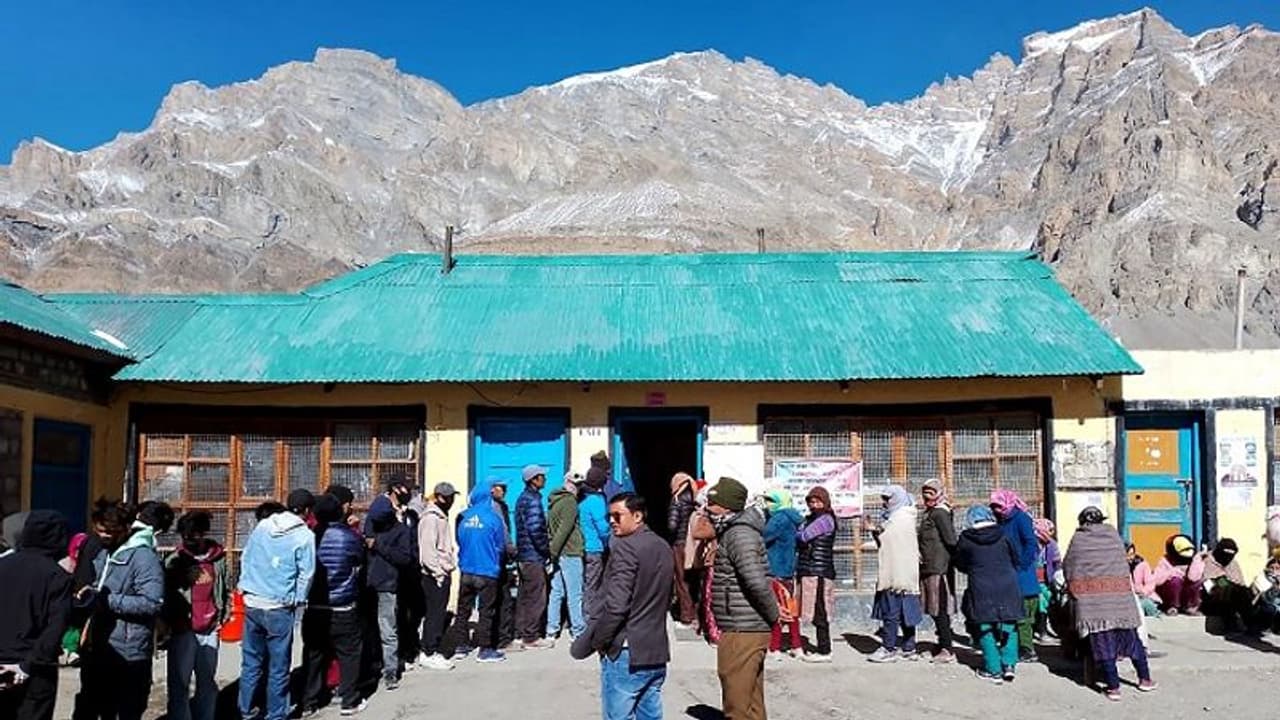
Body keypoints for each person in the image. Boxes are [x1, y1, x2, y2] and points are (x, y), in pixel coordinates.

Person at [570, 493, 674, 720]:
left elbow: (616, 606)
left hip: (628, 651)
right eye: (609, 516)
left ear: (637, 516)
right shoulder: (663, 546)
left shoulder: (626, 548)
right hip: (655, 651)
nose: (611, 521)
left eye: (618, 515)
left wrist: (600, 641)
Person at [75, 500, 165, 720]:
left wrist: (106, 600)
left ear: (125, 529)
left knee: (126, 711)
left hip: (129, 652)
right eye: (99, 531)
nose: (102, 536)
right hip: (100, 647)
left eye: (108, 532)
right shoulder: (106, 553)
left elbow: (152, 602)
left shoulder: (144, 558)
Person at [1062, 506, 1157, 701]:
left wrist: (1075, 588)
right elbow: (1122, 563)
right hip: (1120, 600)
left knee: (1103, 644)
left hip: (1094, 604)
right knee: (1132, 641)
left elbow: (1069, 566)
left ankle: (1114, 687)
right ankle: (1145, 679)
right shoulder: (1113, 536)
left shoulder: (1079, 539)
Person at [238, 489, 317, 720]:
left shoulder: (264, 526)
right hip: (280, 605)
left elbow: (247, 556)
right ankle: (276, 714)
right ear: (306, 511)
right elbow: (306, 573)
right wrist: (299, 598)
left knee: (251, 663)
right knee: (278, 667)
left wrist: (246, 584)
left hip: (253, 601)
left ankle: (246, 710)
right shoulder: (304, 536)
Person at [707, 477, 779, 720]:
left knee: (737, 705)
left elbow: (756, 582)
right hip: (743, 625)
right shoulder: (734, 530)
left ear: (727, 506)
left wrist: (773, 614)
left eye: (712, 502)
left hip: (744, 627)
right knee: (751, 703)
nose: (707, 506)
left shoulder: (739, 534)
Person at [0, 511, 72, 720]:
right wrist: (27, 665)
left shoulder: (3, 566)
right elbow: (56, 626)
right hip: (36, 671)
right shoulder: (56, 575)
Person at [302, 494, 366, 716]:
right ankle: (348, 700)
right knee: (349, 653)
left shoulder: (308, 536)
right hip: (342, 605)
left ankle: (309, 701)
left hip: (315, 605)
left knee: (314, 654)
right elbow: (358, 560)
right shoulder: (348, 537)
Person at [164, 511, 230, 720]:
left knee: (207, 682)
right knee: (180, 683)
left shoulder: (218, 559)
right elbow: (166, 593)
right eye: (185, 536)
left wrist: (223, 615)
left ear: (203, 534)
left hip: (210, 628)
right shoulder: (175, 560)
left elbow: (225, 589)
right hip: (184, 629)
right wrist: (182, 578)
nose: (189, 540)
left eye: (194, 535)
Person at [952, 505, 1024, 684]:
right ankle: (1009, 665)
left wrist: (974, 568)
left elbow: (959, 562)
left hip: (981, 586)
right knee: (1009, 623)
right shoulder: (1004, 534)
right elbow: (1017, 558)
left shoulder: (966, 539)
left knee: (984, 626)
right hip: (1008, 584)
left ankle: (993, 669)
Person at [446, 481, 509, 663]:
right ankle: (485, 648)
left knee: (463, 610)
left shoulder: (462, 517)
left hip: (467, 569)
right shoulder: (493, 518)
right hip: (487, 570)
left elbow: (459, 541)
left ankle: (460, 645)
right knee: (486, 611)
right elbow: (500, 545)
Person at [365, 480, 417, 690]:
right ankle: (381, 669)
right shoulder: (374, 524)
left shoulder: (396, 530)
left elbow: (404, 558)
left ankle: (390, 671)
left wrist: (378, 545)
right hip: (372, 583)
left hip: (386, 583)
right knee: (382, 630)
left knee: (387, 629)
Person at [868, 486, 921, 663]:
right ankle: (909, 647)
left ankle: (888, 647)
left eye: (888, 499)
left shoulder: (900, 519)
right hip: (905, 571)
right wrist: (876, 530)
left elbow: (888, 540)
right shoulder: (901, 517)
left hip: (896, 572)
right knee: (906, 610)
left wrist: (876, 530)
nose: (885, 503)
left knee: (891, 611)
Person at [990, 489, 1040, 662]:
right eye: (994, 506)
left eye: (999, 505)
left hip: (1022, 575)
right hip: (1007, 574)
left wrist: (1021, 564)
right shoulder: (1001, 522)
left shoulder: (1020, 518)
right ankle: (1014, 646)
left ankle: (1027, 649)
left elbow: (1030, 543)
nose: (996, 510)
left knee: (1024, 616)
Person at [417, 482, 459, 670]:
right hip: (434, 575)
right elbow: (427, 549)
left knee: (439, 612)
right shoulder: (431, 518)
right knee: (434, 614)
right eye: (449, 497)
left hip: (440, 572)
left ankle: (432, 648)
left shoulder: (441, 516)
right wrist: (438, 572)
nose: (451, 501)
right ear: (441, 497)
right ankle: (428, 652)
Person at [793, 487, 836, 662]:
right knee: (816, 609)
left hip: (819, 570)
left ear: (825, 502)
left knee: (820, 610)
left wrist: (800, 533)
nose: (814, 505)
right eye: (811, 502)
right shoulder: (812, 518)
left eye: (818, 501)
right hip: (811, 568)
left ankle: (825, 650)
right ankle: (822, 647)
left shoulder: (825, 520)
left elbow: (803, 536)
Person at [917, 478, 957, 663]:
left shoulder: (940, 513)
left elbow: (950, 540)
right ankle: (941, 643)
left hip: (939, 567)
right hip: (929, 566)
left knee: (940, 608)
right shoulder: (930, 512)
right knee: (933, 607)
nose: (927, 496)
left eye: (931, 492)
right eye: (925, 492)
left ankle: (947, 648)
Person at [514, 465, 553, 649]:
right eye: (541, 476)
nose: (544, 479)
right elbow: (536, 529)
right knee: (537, 597)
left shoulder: (522, 498)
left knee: (525, 596)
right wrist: (546, 550)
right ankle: (531, 636)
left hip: (523, 555)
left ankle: (521, 631)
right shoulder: (532, 501)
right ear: (533, 480)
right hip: (533, 556)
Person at [762, 489, 802, 659]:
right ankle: (796, 645)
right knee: (791, 609)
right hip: (788, 569)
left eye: (771, 500)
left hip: (775, 568)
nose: (767, 504)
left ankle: (775, 647)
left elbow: (763, 537)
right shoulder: (793, 517)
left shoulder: (778, 519)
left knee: (777, 610)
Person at [547, 472, 586, 642]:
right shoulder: (570, 503)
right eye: (577, 485)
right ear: (569, 484)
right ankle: (578, 630)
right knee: (574, 594)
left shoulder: (554, 502)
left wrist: (553, 554)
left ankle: (551, 629)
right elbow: (565, 530)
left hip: (559, 554)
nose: (579, 489)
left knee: (557, 593)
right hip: (570, 553)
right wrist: (553, 552)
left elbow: (551, 529)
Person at [488, 478, 519, 649]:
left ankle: (497, 637)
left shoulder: (501, 506)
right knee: (503, 598)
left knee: (499, 598)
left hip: (495, 557)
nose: (504, 491)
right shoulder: (494, 507)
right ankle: (504, 639)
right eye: (501, 488)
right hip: (497, 557)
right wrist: (511, 550)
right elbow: (503, 532)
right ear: (492, 489)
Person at [580, 466, 612, 624]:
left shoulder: (583, 499)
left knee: (587, 582)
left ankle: (587, 613)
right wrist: (609, 542)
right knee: (593, 583)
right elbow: (603, 528)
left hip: (584, 546)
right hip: (595, 548)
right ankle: (590, 617)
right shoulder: (597, 501)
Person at [1200, 538, 1251, 632]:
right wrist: (1224, 581)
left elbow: (1240, 581)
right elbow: (1207, 581)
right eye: (1225, 553)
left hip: (1234, 594)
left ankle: (1249, 623)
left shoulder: (1233, 563)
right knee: (1226, 587)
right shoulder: (1208, 560)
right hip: (1212, 597)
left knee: (1244, 592)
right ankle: (1230, 622)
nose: (1228, 557)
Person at [668, 472, 698, 627]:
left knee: (681, 579)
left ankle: (686, 615)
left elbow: (672, 525)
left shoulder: (677, 500)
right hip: (696, 544)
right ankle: (697, 613)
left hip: (680, 543)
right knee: (694, 578)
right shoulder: (696, 497)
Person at [1151, 533, 1204, 615]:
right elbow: (1156, 580)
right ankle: (1173, 607)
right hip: (1170, 595)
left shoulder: (1196, 561)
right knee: (1175, 581)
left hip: (1187, 596)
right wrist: (1172, 572)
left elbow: (1193, 578)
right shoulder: (1165, 561)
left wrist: (1196, 560)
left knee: (1196, 583)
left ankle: (1190, 607)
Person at [1032, 518, 1062, 640]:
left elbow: (1057, 562)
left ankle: (1052, 628)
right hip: (1034, 580)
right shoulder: (1031, 544)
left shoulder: (1051, 545)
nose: (1051, 533)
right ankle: (1041, 631)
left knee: (1049, 602)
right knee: (1041, 604)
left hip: (1047, 580)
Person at [1128, 544, 1162, 617]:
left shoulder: (1142, 565)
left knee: (1145, 603)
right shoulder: (1118, 567)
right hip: (1130, 599)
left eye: (1132, 554)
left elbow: (1150, 584)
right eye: (1127, 555)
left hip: (1145, 596)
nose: (1130, 558)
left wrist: (1143, 592)